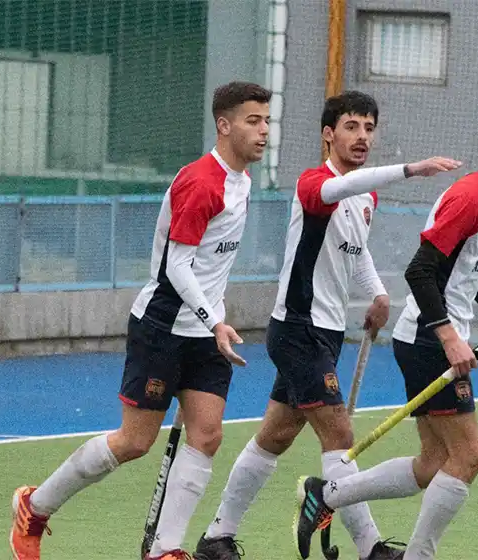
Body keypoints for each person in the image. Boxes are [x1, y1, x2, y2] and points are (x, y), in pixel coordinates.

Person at [9, 81, 272, 560]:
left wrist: (214, 321)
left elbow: (212, 264)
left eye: (267, 121)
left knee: (207, 435)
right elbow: (177, 265)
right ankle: (35, 505)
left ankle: (165, 550)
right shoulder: (201, 182)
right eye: (254, 121)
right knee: (134, 441)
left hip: (205, 331)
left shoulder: (243, 180)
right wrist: (214, 320)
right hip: (163, 327)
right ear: (224, 125)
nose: (264, 130)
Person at [194, 90, 462, 560]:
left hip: (328, 330)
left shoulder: (366, 196)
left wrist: (378, 293)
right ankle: (370, 547)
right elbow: (338, 193)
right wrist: (411, 169)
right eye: (352, 127)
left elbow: (354, 254)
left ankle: (217, 535)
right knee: (339, 435)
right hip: (298, 328)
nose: (362, 137)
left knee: (275, 435)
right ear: (328, 134)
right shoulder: (314, 184)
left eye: (369, 129)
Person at [293, 110, 478, 559]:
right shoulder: (471, 197)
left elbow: (456, 264)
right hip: (428, 338)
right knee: (470, 457)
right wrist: (448, 338)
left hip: (437, 333)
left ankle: (325, 496)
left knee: (433, 463)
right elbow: (420, 270)